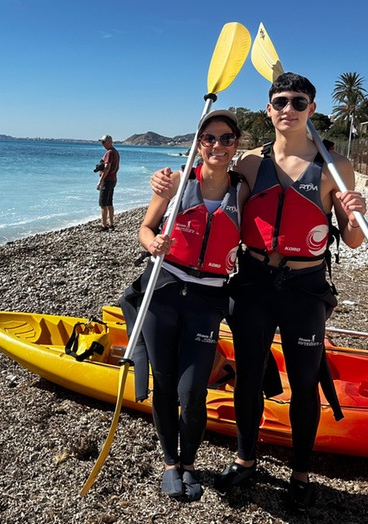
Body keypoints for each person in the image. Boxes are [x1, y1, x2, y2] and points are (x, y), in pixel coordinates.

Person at [151, 73, 367, 511]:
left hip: (305, 287)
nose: (288, 108)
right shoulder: (250, 162)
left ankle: (301, 473)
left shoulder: (335, 166)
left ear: (312, 108)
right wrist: (163, 185)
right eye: (280, 101)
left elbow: (354, 240)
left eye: (298, 102)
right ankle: (246, 459)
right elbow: (209, 185)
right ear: (268, 110)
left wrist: (355, 215)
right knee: (248, 379)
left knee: (304, 385)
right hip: (251, 282)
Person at [121, 110, 246, 502]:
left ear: (236, 145)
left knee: (193, 391)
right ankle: (171, 464)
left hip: (208, 299)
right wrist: (152, 243)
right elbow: (145, 228)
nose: (217, 146)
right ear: (198, 143)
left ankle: (190, 461)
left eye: (226, 139)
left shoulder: (244, 190)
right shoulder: (175, 183)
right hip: (165, 289)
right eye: (209, 138)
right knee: (165, 383)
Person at [97, 134, 120, 230]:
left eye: (103, 142)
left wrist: (100, 181)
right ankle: (111, 223)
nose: (102, 144)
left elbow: (107, 167)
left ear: (109, 142)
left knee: (103, 204)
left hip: (107, 180)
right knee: (109, 202)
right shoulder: (115, 152)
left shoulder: (109, 153)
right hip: (113, 179)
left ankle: (104, 225)